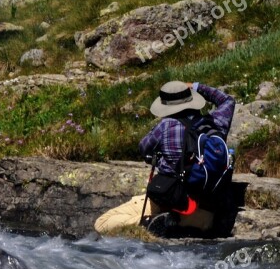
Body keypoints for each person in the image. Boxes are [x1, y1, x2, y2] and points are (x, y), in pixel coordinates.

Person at [94, 81, 236, 236]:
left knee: (102, 222)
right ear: (192, 99)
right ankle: (179, 223)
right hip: (204, 214)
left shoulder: (166, 126)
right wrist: (196, 86)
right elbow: (227, 100)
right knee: (194, 222)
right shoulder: (216, 122)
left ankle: (149, 221)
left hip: (168, 201)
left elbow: (144, 147)